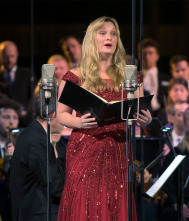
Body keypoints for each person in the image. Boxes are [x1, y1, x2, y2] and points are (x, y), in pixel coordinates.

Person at [56, 16, 152, 220]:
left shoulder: (130, 76)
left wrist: (145, 118)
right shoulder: (75, 75)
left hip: (118, 149)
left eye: (113, 33)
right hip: (85, 149)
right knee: (85, 202)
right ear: (92, 39)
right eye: (103, 33)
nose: (109, 37)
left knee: (115, 202)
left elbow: (140, 110)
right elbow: (61, 114)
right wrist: (80, 122)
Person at [9, 92, 66, 221]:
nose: (68, 120)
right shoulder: (37, 141)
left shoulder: (33, 135)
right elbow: (55, 187)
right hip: (40, 214)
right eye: (65, 114)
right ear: (52, 115)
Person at [159, 105, 189, 221]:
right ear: (185, 124)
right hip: (183, 204)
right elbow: (166, 184)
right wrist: (176, 204)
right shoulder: (176, 153)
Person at [0, 41, 34, 123]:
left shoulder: (27, 74)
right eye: (6, 57)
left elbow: (33, 97)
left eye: (12, 56)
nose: (9, 60)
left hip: (23, 122)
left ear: (17, 55)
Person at [139, 38, 171, 114]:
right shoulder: (135, 77)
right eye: (144, 54)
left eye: (150, 53)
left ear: (157, 56)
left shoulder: (166, 78)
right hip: (141, 115)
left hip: (161, 116)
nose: (147, 57)